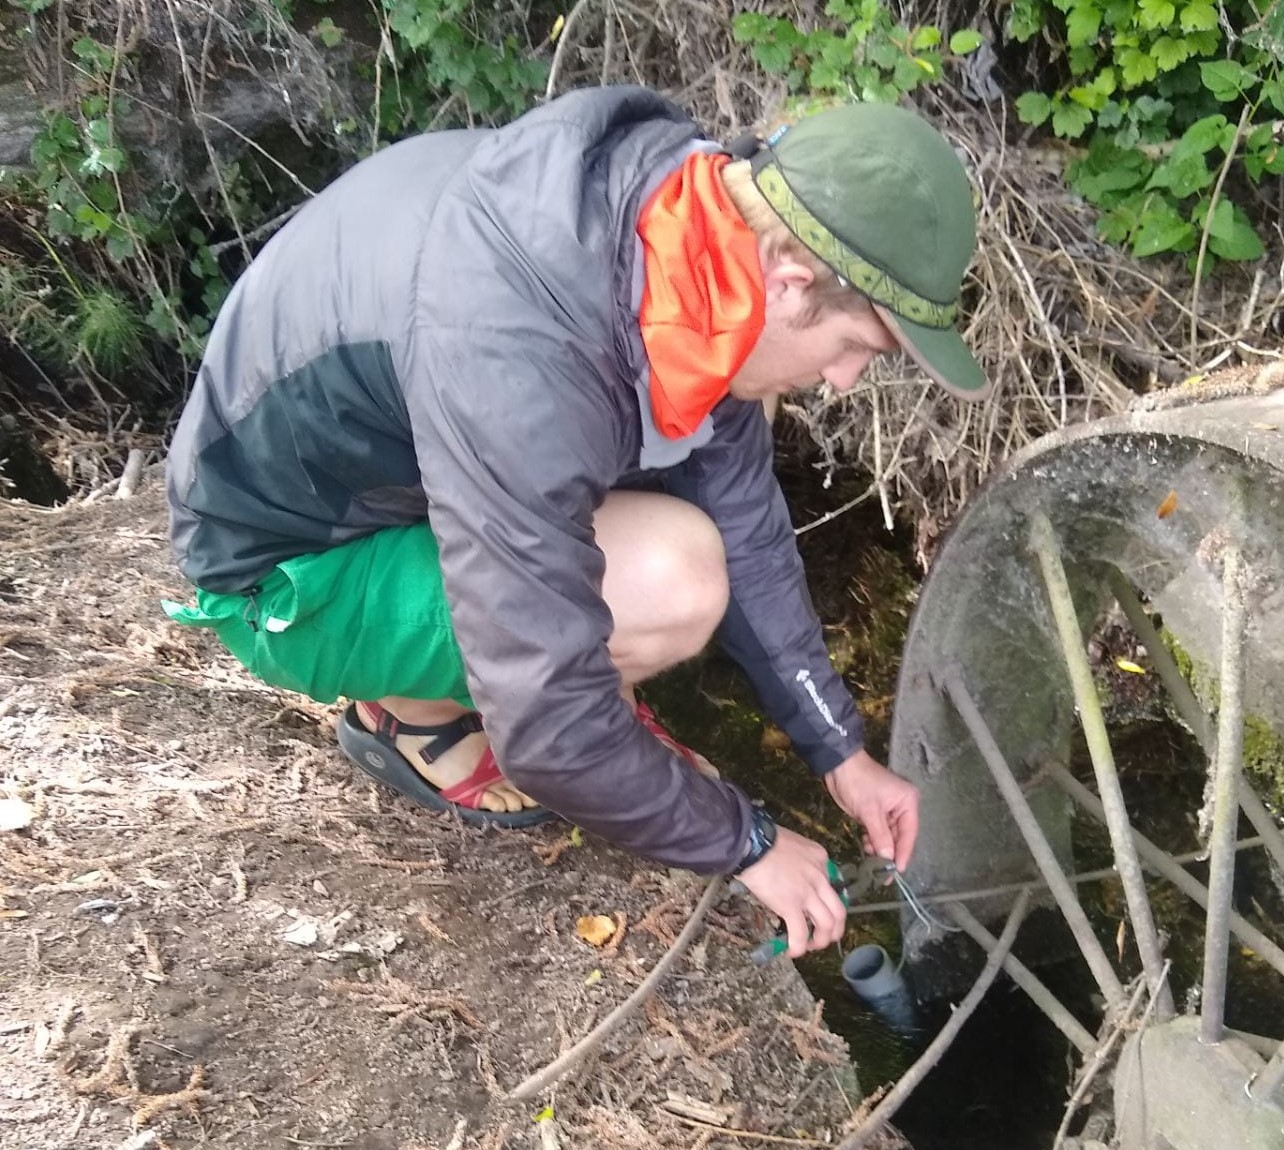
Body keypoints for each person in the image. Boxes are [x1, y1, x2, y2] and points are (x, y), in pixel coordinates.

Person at [162, 86, 988, 958]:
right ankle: (411, 716)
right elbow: (549, 725)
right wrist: (747, 843)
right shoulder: (521, 344)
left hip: (389, 485)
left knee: (700, 541)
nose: (848, 379)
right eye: (859, 346)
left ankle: (455, 671)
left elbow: (748, 526)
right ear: (789, 283)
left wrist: (839, 753)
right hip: (287, 578)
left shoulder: (685, 240)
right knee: (673, 581)